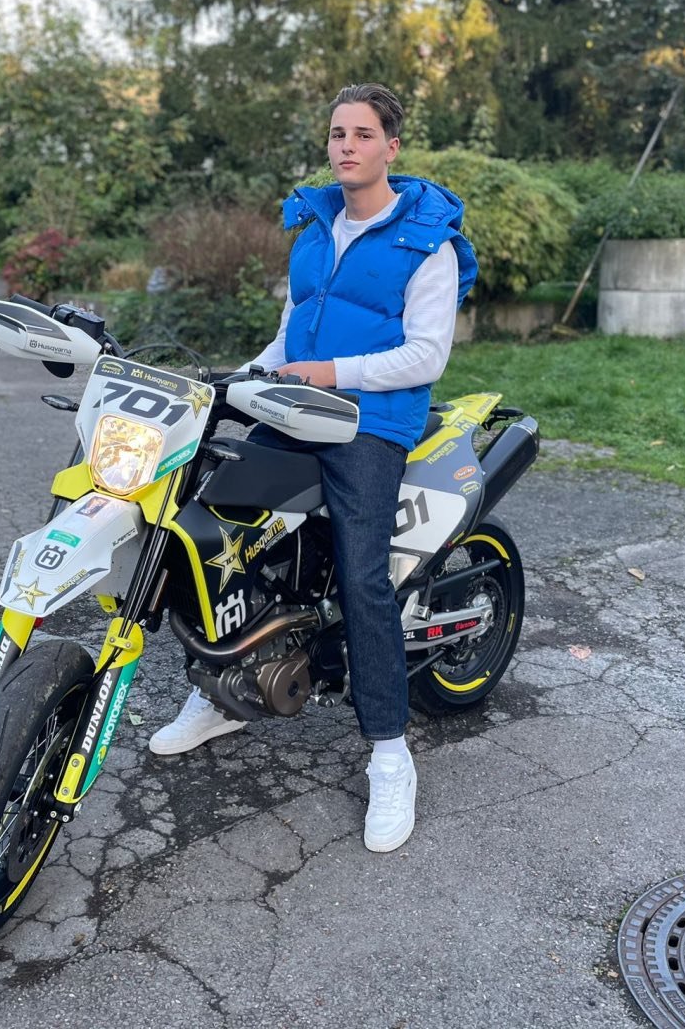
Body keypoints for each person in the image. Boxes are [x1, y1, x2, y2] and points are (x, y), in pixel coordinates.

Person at [148, 83, 477, 853]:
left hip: (371, 422)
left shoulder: (426, 242)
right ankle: (220, 694)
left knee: (363, 576)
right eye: (337, 133)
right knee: (210, 526)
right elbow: (289, 335)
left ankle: (389, 754)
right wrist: (236, 379)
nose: (346, 146)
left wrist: (333, 374)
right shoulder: (315, 226)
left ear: (392, 147)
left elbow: (426, 356)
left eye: (362, 134)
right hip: (297, 406)